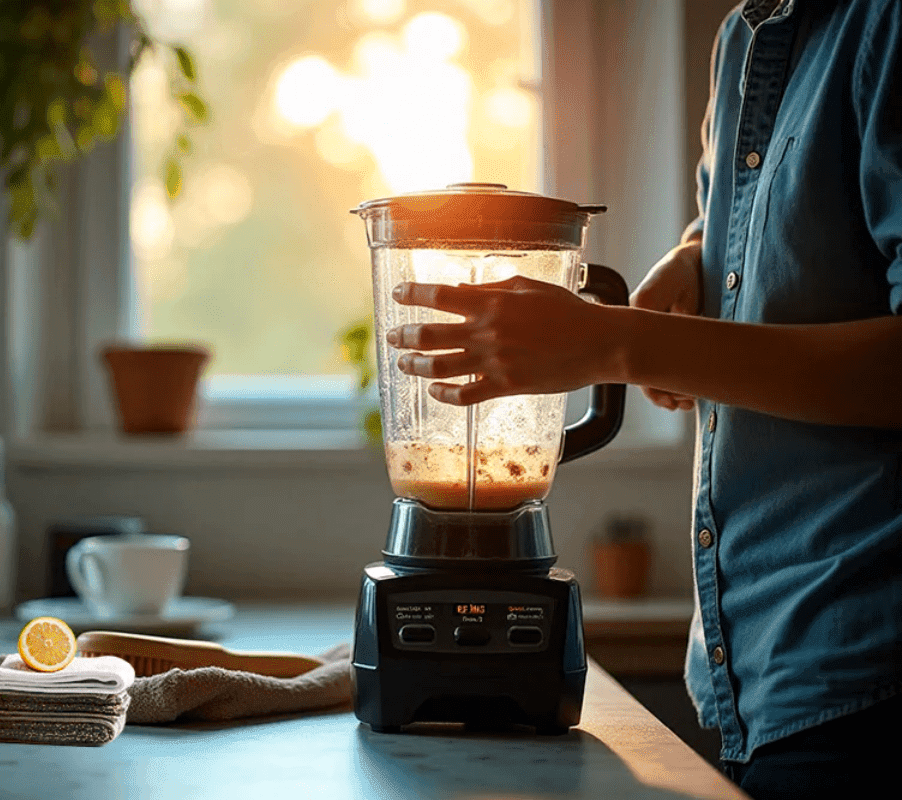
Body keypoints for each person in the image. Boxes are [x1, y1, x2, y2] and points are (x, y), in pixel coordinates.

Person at [383, 1, 901, 797]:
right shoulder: (745, 38)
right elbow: (797, 220)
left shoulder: (887, 26)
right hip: (755, 676)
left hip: (866, 677)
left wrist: (616, 342)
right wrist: (701, 253)